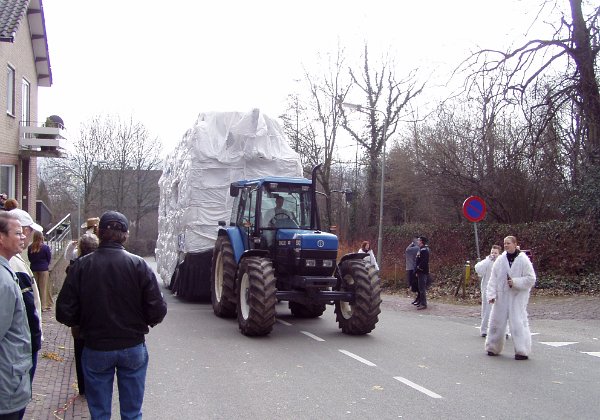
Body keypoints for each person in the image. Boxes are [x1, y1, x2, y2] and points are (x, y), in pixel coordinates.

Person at [56, 211, 167, 419]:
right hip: (132, 345)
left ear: (99, 232)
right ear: (126, 235)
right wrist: (145, 321)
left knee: (99, 414)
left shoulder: (81, 266)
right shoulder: (139, 265)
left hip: (96, 345)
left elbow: (64, 311)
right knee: (132, 413)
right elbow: (157, 309)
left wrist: (83, 323)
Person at [7, 209, 43, 420]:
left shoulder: (14, 263)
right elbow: (25, 311)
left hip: (20, 348)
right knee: (16, 403)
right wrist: (34, 341)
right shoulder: (13, 266)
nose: (24, 238)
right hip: (20, 350)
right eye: (20, 233)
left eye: (24, 233)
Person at [0, 212, 33, 419]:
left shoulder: (6, 271)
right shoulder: (2, 280)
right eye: (18, 233)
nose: (23, 237)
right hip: (6, 382)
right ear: (1, 238)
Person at [485, 235, 536, 360]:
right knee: (496, 321)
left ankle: (522, 350)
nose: (506, 245)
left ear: (515, 244)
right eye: (504, 243)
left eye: (508, 243)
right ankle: (492, 347)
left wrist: (516, 282)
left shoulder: (523, 260)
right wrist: (491, 295)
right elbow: (493, 279)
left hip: (517, 297)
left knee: (518, 322)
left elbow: (531, 279)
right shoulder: (500, 260)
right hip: (501, 296)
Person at [67, 233, 100, 396]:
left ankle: (83, 387)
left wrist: (72, 319)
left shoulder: (75, 267)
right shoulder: (102, 265)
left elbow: (68, 298)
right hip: (97, 319)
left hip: (80, 320)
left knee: (80, 353)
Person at [475, 245, 502, 337]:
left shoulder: (502, 262)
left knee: (501, 309)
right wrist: (487, 260)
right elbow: (479, 270)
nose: (493, 255)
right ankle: (484, 330)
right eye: (492, 252)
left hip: (500, 289)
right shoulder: (487, 262)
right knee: (487, 309)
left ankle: (503, 330)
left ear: (499, 254)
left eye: (495, 253)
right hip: (487, 288)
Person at [28, 230, 52, 312]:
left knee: (35, 288)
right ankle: (44, 306)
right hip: (43, 269)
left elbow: (30, 258)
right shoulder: (45, 247)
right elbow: (49, 258)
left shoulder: (30, 247)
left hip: (34, 268)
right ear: (41, 237)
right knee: (44, 288)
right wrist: (45, 265)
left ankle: (35, 304)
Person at [414, 236, 430, 310]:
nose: (418, 241)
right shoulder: (420, 249)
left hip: (422, 271)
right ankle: (421, 302)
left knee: (422, 288)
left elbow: (424, 261)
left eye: (419, 240)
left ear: (422, 241)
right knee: (420, 288)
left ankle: (424, 304)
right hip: (420, 271)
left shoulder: (424, 250)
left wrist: (418, 268)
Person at [405, 237, 420, 305]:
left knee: (414, 284)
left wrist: (412, 243)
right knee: (414, 285)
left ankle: (419, 299)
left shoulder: (416, 248)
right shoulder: (416, 248)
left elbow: (407, 250)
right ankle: (417, 298)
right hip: (411, 268)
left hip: (412, 268)